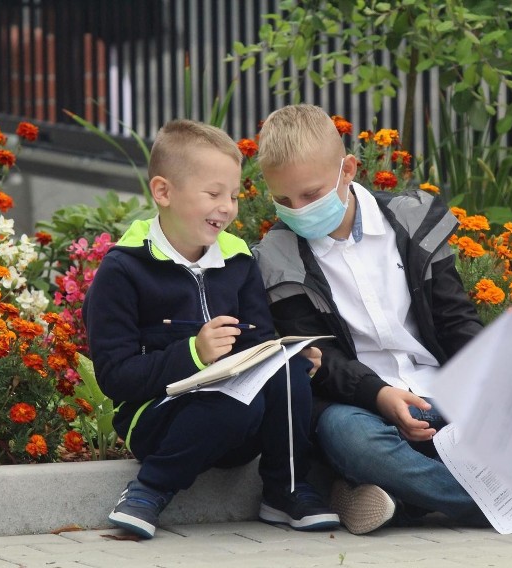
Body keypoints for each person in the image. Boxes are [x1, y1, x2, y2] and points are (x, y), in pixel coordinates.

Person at [82, 119, 339, 539]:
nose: (227, 207)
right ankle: (149, 490)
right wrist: (194, 353)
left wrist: (285, 355)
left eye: (234, 195)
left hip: (239, 423)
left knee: (285, 371)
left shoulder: (237, 261)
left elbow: (257, 341)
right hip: (157, 422)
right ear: (163, 192)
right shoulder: (123, 269)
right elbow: (116, 377)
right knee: (230, 401)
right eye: (213, 193)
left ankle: (285, 491)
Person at [251, 104, 490, 535]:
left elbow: (456, 319)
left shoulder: (412, 221)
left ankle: (396, 496)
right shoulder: (277, 258)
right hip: (362, 407)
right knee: (350, 438)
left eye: (310, 195)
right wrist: (380, 396)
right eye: (283, 200)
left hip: (441, 395)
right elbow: (321, 359)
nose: (298, 210)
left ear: (348, 169)